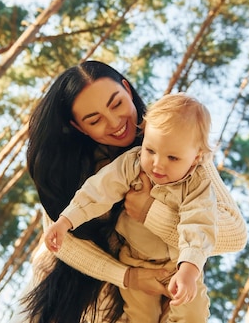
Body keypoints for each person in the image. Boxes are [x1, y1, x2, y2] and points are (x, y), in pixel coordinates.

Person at [20, 61, 247, 323]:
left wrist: (150, 211)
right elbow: (65, 245)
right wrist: (128, 276)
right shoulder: (70, 170)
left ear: (127, 90)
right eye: (95, 120)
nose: (115, 122)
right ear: (80, 127)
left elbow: (235, 235)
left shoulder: (178, 139)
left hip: (169, 277)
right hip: (72, 297)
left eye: (116, 104)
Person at [44, 93, 217, 323]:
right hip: (134, 259)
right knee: (141, 317)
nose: (157, 164)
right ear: (144, 137)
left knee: (193, 314)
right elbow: (99, 190)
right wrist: (66, 220)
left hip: (180, 265)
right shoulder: (132, 164)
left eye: (173, 158)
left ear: (196, 158)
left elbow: (200, 224)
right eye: (151, 150)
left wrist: (189, 269)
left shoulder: (197, 184)